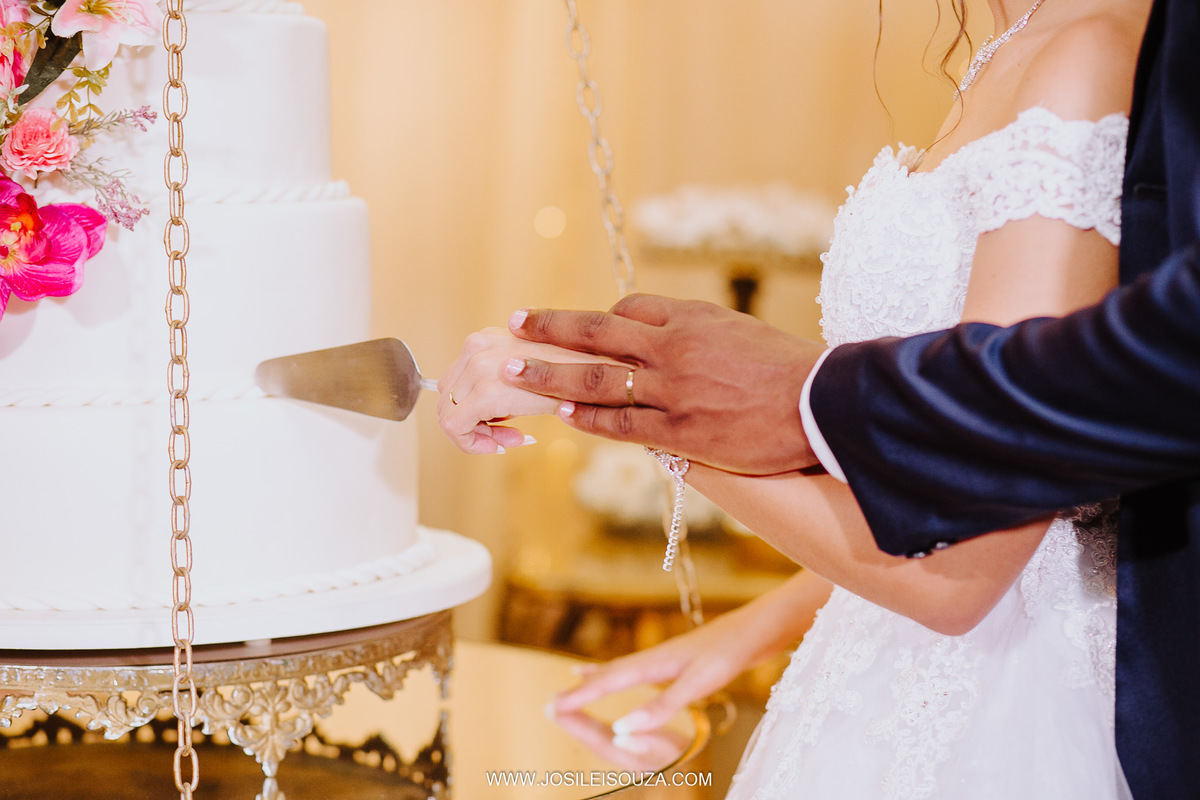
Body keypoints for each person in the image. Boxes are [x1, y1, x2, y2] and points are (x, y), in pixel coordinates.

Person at [441, 0, 1200, 796]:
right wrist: (753, 627)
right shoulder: (1007, 44)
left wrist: (636, 411)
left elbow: (969, 566)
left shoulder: (1086, 52)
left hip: (1010, 710)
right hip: (870, 664)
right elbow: (936, 489)